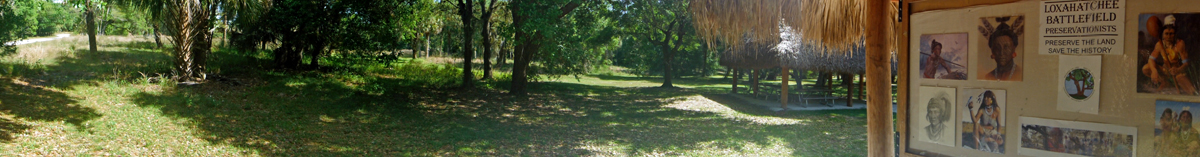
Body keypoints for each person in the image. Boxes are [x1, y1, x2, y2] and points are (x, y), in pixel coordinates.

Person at [1143, 15, 1196, 95]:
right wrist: (1154, 70)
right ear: (1163, 34)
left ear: (1175, 34)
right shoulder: (1159, 45)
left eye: (1171, 34)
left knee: (1192, 91)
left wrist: (1178, 70)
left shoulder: (1180, 44)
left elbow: (1186, 63)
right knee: (1146, 68)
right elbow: (1151, 59)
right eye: (1166, 34)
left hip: (1178, 72)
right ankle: (1164, 82)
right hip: (1165, 71)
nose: (1168, 37)